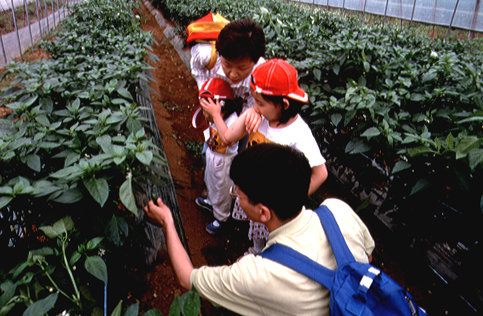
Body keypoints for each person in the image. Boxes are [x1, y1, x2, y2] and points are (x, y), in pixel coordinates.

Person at [144, 143, 375, 316]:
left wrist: (167, 222)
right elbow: (366, 256)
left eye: (238, 194)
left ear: (263, 213)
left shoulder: (258, 274)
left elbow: (187, 279)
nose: (236, 196)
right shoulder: (338, 210)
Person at [202, 58, 329, 254]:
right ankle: (256, 250)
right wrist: (249, 113)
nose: (256, 107)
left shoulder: (299, 134)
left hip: (275, 203)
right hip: (256, 195)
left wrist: (291, 203)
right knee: (257, 230)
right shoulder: (258, 117)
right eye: (254, 101)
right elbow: (227, 137)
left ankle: (266, 258)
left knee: (275, 236)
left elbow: (321, 173)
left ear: (284, 104)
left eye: (260, 103)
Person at [191, 17, 266, 213]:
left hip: (241, 111)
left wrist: (252, 113)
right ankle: (214, 194)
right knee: (209, 152)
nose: (233, 74)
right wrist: (205, 95)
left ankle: (231, 200)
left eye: (242, 68)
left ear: (255, 61)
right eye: (228, 65)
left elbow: (253, 106)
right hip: (218, 106)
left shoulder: (260, 74)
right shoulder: (207, 56)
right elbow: (196, 65)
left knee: (238, 156)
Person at [194, 78, 240, 234]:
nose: (205, 114)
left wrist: (215, 117)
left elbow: (230, 140)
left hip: (224, 162)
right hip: (213, 156)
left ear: (222, 107)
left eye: (207, 111)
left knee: (222, 190)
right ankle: (211, 202)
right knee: (211, 181)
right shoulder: (214, 117)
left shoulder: (232, 121)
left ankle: (222, 218)